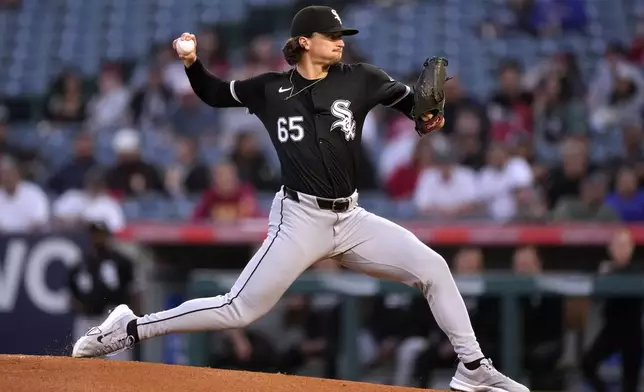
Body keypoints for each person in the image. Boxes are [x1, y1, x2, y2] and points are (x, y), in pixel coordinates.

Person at [71, 6, 528, 392]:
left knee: (433, 268)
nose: (341, 41)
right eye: (331, 36)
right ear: (304, 41)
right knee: (238, 309)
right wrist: (192, 62)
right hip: (299, 218)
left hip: (351, 218)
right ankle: (128, 329)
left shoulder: (362, 78)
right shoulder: (270, 89)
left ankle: (472, 369)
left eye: (341, 35)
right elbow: (212, 93)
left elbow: (416, 108)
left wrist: (428, 119)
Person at [582, 229, 643, 392]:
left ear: (632, 248)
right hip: (611, 330)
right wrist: (603, 274)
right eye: (618, 245)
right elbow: (594, 297)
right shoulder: (604, 269)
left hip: (633, 332)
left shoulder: (638, 270)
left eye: (625, 245)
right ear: (611, 249)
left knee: (630, 382)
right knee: (587, 364)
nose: (622, 250)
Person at [68, 221, 137, 361]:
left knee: (119, 361)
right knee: (82, 360)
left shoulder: (121, 261)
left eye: (101, 235)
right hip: (87, 318)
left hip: (114, 318)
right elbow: (71, 291)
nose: (98, 238)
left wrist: (134, 318)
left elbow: (132, 290)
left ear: (108, 236)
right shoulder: (81, 262)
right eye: (95, 235)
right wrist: (79, 305)